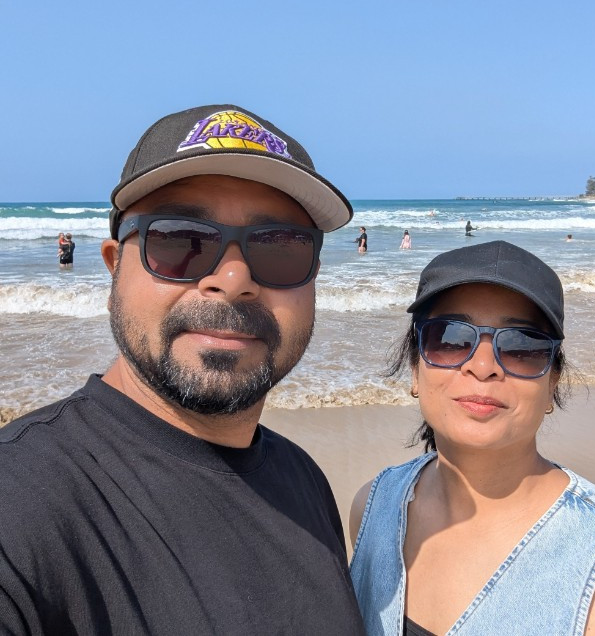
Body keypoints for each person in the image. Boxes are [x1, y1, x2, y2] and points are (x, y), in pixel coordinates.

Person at [0, 105, 365, 634]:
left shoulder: (304, 479)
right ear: (113, 268)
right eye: (179, 240)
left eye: (281, 247)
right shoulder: (19, 504)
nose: (233, 280)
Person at [349, 241, 595, 635]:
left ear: (553, 383)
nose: (483, 367)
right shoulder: (374, 508)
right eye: (449, 339)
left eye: (521, 346)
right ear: (415, 368)